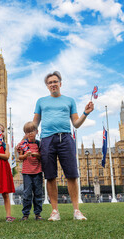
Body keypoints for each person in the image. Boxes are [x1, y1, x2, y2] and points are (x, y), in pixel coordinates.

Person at [33, 71, 94, 221]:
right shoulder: (41, 101)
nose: (53, 84)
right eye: (50, 82)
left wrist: (85, 113)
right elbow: (35, 124)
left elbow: (76, 124)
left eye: (55, 81)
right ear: (47, 86)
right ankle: (55, 211)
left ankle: (76, 211)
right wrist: (27, 138)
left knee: (72, 175)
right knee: (50, 176)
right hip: (47, 139)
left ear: (60, 83)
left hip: (66, 138)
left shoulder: (70, 101)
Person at [17, 121, 43, 221]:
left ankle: (38, 214)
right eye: (27, 132)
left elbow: (41, 156)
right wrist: (25, 155)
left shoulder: (38, 144)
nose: (30, 133)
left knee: (38, 193)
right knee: (27, 194)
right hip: (27, 172)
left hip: (37, 172)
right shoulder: (24, 144)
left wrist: (36, 155)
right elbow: (20, 157)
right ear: (25, 134)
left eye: (32, 131)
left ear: (36, 131)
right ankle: (25, 214)